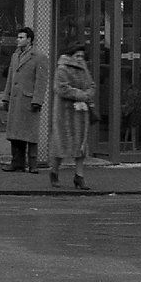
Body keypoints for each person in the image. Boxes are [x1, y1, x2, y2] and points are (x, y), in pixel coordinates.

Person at [0, 26, 49, 173]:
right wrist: (6, 97)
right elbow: (10, 79)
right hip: (15, 100)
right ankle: (17, 163)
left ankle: (32, 165)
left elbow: (41, 81)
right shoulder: (15, 55)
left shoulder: (39, 57)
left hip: (28, 100)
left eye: (21, 37)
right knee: (15, 133)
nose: (18, 40)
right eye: (18, 37)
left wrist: (37, 100)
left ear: (29, 39)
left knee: (30, 133)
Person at [50, 42, 97, 190]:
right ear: (70, 56)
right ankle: (54, 171)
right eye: (77, 56)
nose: (79, 59)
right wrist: (82, 95)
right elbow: (61, 89)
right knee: (62, 146)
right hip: (65, 113)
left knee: (80, 148)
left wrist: (88, 94)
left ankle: (79, 176)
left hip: (80, 114)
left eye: (82, 56)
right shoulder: (62, 69)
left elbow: (92, 85)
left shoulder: (84, 69)